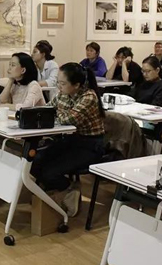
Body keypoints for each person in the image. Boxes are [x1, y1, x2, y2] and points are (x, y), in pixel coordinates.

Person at [31, 63, 106, 217]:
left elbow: (68, 120)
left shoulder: (89, 97)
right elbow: (47, 110)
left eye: (62, 83)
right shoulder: (63, 93)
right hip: (71, 140)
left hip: (90, 145)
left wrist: (56, 113)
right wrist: (55, 113)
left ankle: (70, 189)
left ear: (76, 85)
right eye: (58, 82)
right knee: (35, 162)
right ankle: (64, 192)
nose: (59, 86)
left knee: (50, 172)